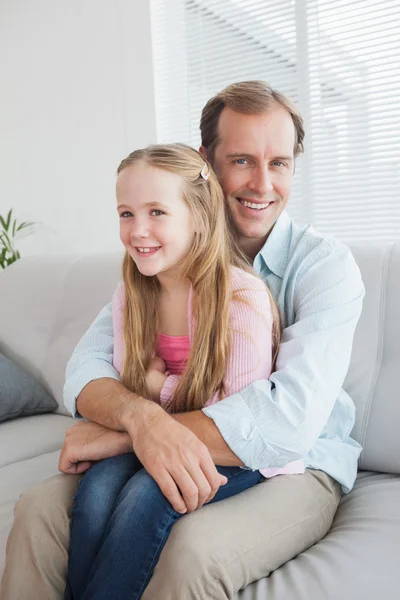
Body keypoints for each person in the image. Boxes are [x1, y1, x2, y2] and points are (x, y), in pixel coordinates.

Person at [0, 81, 364, 600]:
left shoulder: (324, 267)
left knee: (189, 551)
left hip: (300, 464)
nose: (263, 183)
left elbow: (286, 426)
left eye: (279, 163)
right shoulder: (160, 260)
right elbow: (85, 372)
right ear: (204, 163)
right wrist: (141, 420)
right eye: (241, 160)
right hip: (188, 439)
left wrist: (133, 429)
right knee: (38, 511)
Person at [65, 142, 303, 600]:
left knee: (144, 499)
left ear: (197, 214)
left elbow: (232, 416)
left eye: (156, 212)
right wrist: (145, 402)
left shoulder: (240, 297)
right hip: (172, 434)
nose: (138, 231)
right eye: (126, 214)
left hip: (240, 451)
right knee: (94, 496)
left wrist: (159, 387)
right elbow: (126, 386)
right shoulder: (131, 296)